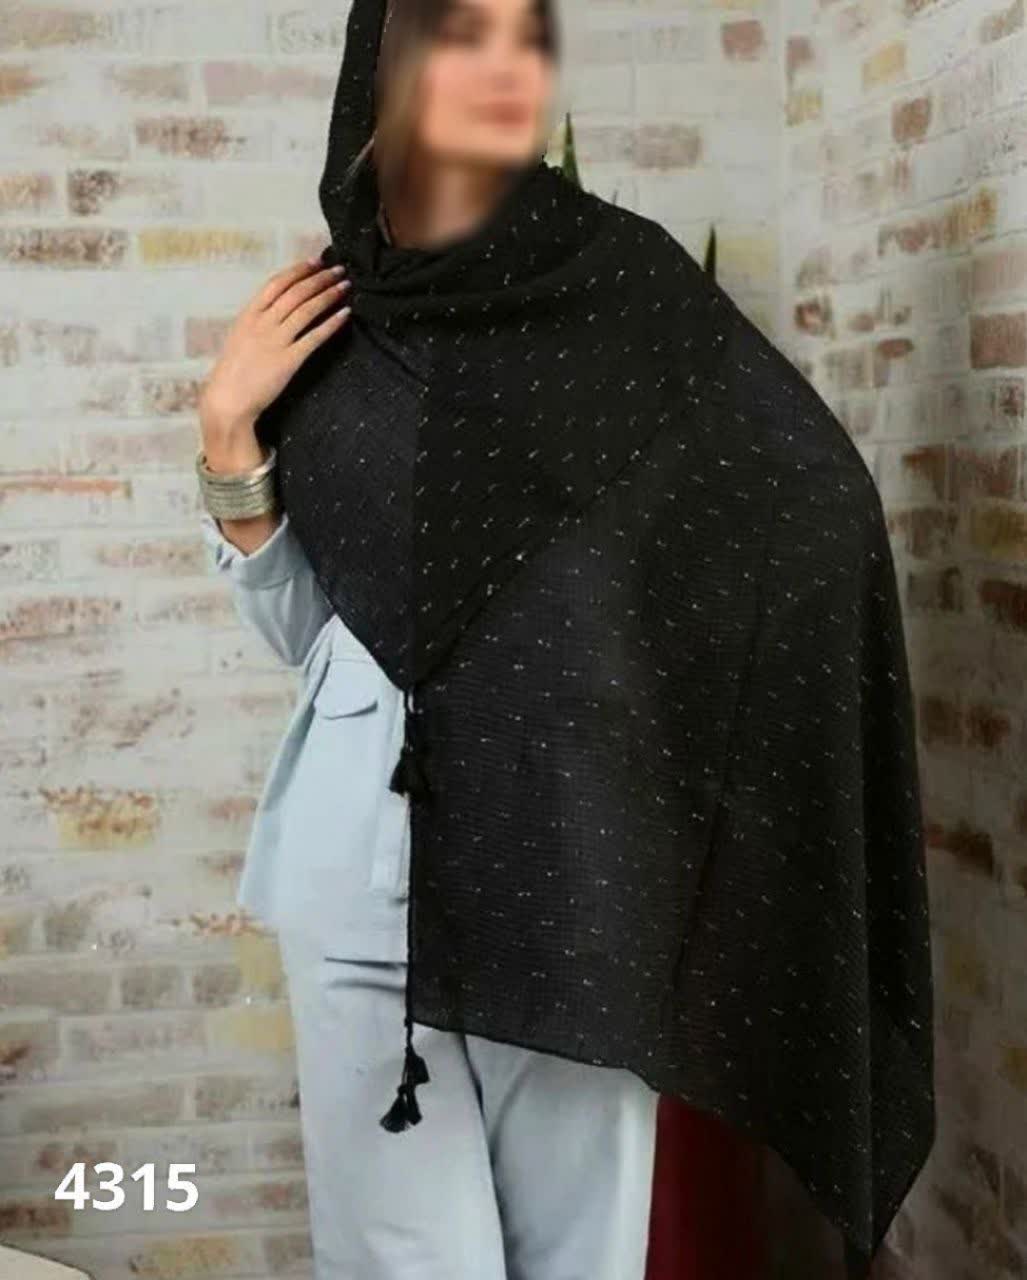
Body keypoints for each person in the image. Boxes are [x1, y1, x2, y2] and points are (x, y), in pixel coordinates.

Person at [197, 1, 662, 1277]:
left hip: (571, 863)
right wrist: (230, 435)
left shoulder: (618, 304)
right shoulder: (326, 325)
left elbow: (710, 574)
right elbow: (314, 636)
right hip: (361, 877)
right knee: (402, 1262)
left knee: (580, 1255)